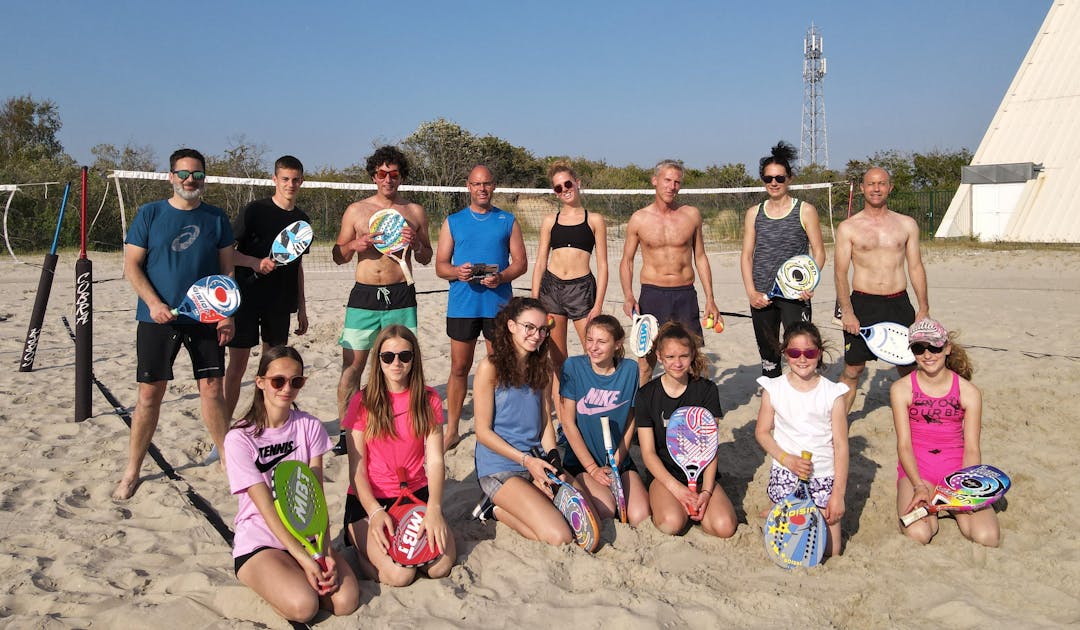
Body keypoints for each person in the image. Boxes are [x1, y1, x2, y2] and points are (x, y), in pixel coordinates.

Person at [113, 148, 236, 500]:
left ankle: (227, 457)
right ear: (171, 176)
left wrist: (227, 313)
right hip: (157, 318)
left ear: (204, 179)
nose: (189, 180)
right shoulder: (150, 213)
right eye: (183, 174)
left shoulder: (215, 218)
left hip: (205, 317)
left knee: (212, 389)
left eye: (196, 175)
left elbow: (226, 270)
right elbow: (132, 266)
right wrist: (153, 303)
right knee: (150, 394)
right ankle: (132, 469)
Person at [224, 346, 360, 623]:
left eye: (296, 381)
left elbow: (315, 496)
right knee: (304, 607)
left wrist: (324, 551)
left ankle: (292, 576)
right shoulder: (240, 438)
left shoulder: (309, 426)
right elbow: (266, 509)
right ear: (260, 382)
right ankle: (272, 579)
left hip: (307, 534)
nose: (287, 388)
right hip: (262, 539)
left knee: (345, 602)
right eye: (278, 381)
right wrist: (303, 558)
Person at [342, 325, 456, 585]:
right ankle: (358, 544)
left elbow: (436, 460)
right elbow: (357, 469)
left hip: (416, 494)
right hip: (372, 500)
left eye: (404, 356)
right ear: (378, 360)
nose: (396, 362)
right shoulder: (363, 401)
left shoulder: (428, 399)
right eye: (388, 356)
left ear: (414, 358)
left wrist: (434, 508)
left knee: (440, 567)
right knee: (401, 575)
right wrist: (373, 512)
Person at [333, 146, 433, 423]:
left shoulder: (414, 211)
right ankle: (346, 429)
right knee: (353, 365)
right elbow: (337, 256)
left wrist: (416, 244)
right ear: (374, 176)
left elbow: (426, 257)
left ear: (401, 177)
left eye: (394, 174)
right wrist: (355, 244)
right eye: (382, 173)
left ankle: (403, 421)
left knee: (403, 363)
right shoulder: (356, 210)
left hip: (401, 295)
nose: (388, 179)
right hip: (364, 295)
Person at [435, 165, 528, 450]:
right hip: (463, 306)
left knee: (497, 366)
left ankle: (496, 425)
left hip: (497, 306)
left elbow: (520, 263)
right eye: (477, 184)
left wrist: (501, 277)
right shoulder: (453, 221)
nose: (482, 189)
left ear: (494, 186)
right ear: (469, 187)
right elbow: (440, 266)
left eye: (487, 183)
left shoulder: (507, 220)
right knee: (460, 367)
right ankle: (452, 429)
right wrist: (456, 272)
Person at [889, 317, 999, 547]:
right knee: (919, 533)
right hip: (918, 473)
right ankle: (931, 509)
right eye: (919, 348)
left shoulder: (969, 392)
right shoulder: (901, 389)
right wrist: (918, 485)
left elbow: (971, 448)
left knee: (986, 537)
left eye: (934, 347)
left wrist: (966, 487)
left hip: (957, 474)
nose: (928, 354)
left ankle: (945, 506)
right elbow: (904, 445)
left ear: (947, 347)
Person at [472, 297, 572, 546]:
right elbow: (482, 432)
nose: (536, 335)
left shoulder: (542, 366)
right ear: (511, 326)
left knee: (577, 515)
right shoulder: (490, 368)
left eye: (542, 329)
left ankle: (522, 497)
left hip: (534, 460)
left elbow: (545, 421)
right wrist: (527, 461)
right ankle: (493, 509)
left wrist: (551, 457)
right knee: (559, 536)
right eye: (529, 327)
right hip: (499, 465)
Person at [834, 166, 929, 413]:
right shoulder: (848, 227)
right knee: (853, 369)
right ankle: (837, 426)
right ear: (863, 188)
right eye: (871, 184)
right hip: (863, 304)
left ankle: (917, 420)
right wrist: (847, 311)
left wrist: (923, 308)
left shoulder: (907, 224)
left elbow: (916, 267)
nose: (876, 188)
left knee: (909, 366)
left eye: (882, 183)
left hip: (898, 303)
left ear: (890, 187)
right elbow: (840, 273)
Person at [224, 155, 310, 420]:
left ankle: (266, 423)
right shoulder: (254, 211)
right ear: (274, 180)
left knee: (274, 369)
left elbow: (297, 267)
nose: (290, 184)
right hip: (246, 299)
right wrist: (254, 263)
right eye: (285, 179)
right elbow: (226, 253)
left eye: (295, 180)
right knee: (237, 367)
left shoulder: (301, 220)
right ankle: (223, 431)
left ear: (301, 182)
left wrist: (302, 308)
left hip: (280, 302)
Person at [620, 159, 720, 385]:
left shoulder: (691, 215)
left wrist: (710, 298)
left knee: (691, 358)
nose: (671, 186)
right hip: (653, 295)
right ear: (655, 181)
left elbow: (701, 257)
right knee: (646, 363)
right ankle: (644, 415)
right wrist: (628, 295)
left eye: (677, 182)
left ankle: (689, 415)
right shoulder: (639, 218)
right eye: (667, 180)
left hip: (685, 294)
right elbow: (626, 260)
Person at [754, 321, 849, 556]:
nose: (802, 359)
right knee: (789, 543)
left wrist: (838, 495)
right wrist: (786, 459)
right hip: (787, 472)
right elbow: (762, 432)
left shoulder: (832, 393)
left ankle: (783, 510)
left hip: (823, 476)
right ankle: (778, 507)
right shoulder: (774, 389)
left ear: (820, 354)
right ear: (785, 354)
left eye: (810, 352)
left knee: (831, 551)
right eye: (795, 353)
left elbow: (841, 446)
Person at [635, 322, 737, 537]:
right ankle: (670, 503)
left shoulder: (706, 390)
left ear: (692, 355)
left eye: (683, 356)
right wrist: (677, 490)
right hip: (666, 476)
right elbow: (648, 453)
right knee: (671, 524)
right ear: (660, 357)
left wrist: (707, 492)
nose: (677, 363)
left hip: (701, 477)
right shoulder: (646, 395)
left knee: (724, 528)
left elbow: (711, 449)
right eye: (670, 357)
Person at [740, 141, 826, 378]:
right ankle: (775, 408)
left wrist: (809, 283)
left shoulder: (805, 210)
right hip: (762, 294)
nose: (774, 183)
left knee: (801, 352)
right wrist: (751, 292)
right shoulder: (754, 213)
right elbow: (747, 255)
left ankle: (805, 407)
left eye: (779, 178)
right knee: (769, 357)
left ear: (789, 178)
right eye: (768, 179)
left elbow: (819, 252)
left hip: (794, 296)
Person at [558, 315, 650, 526]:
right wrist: (592, 468)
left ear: (617, 344)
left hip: (619, 462)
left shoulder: (630, 370)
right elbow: (568, 423)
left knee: (640, 515)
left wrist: (617, 460)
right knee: (606, 510)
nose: (593, 347)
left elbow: (630, 421)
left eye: (601, 342)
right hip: (583, 463)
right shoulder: (573, 367)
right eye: (589, 340)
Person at [532, 161, 608, 412]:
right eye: (558, 187)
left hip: (582, 290)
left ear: (577, 183)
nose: (564, 189)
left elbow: (604, 265)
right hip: (551, 289)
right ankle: (564, 409)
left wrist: (598, 304)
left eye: (567, 184)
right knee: (558, 358)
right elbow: (541, 261)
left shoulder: (594, 219)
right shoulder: (549, 221)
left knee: (594, 351)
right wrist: (534, 300)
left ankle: (595, 404)